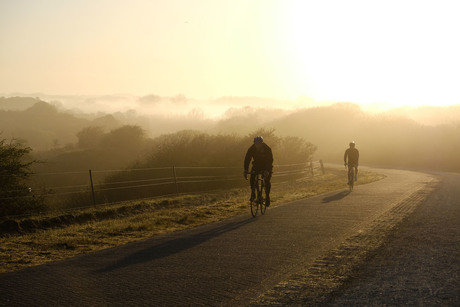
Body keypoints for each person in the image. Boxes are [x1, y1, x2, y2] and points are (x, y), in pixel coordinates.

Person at [244, 136, 273, 206]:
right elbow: (247, 159)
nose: (257, 145)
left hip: (266, 165)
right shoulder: (251, 148)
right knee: (252, 178)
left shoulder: (267, 148)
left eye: (259, 144)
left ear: (262, 143)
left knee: (267, 181)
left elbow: (270, 160)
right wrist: (245, 170)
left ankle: (267, 196)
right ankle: (253, 193)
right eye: (256, 144)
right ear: (254, 143)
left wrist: (267, 170)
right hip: (256, 165)